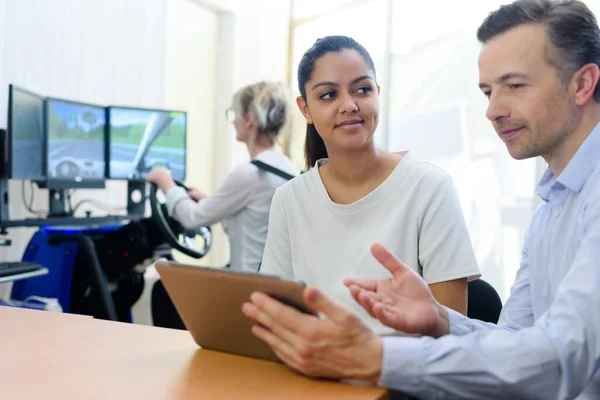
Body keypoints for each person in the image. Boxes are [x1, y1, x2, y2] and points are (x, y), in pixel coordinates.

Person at [242, 0, 600, 398]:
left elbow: (562, 356)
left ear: (582, 84)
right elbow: (515, 338)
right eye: (487, 91)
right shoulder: (552, 206)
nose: (493, 111)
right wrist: (440, 318)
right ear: (305, 109)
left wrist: (376, 357)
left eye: (514, 86)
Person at [259, 35, 481, 336]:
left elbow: (452, 329)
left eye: (362, 90)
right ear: (305, 109)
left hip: (405, 375)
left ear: (377, 93)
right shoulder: (289, 199)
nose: (349, 105)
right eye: (328, 95)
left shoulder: (429, 187)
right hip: (315, 371)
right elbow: (277, 314)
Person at [147, 81, 297, 272]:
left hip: (249, 286)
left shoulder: (250, 174)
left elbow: (192, 218)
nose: (234, 121)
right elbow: (254, 224)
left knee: (162, 291)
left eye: (235, 114)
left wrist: (164, 181)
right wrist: (211, 202)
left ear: (249, 120)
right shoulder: (286, 167)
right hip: (273, 280)